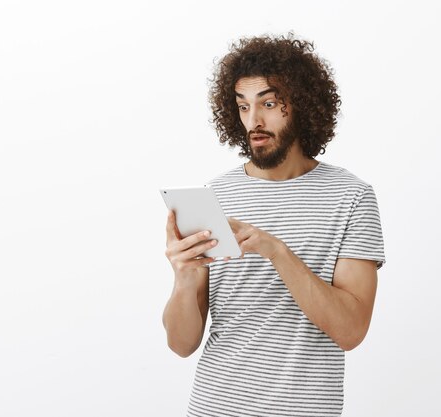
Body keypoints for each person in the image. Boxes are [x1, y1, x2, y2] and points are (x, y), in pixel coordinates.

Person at [162, 33, 386, 417]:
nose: (254, 121)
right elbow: (182, 345)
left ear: (302, 104)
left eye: (268, 103)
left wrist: (276, 251)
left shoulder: (351, 197)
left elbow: (350, 331)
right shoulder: (215, 195)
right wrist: (183, 276)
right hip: (213, 406)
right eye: (243, 106)